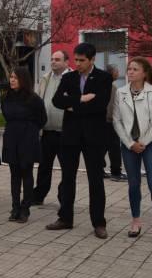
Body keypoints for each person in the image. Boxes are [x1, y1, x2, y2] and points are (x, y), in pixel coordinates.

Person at [47, 42, 113, 239]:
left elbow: (100, 105)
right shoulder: (69, 77)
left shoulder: (104, 78)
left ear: (92, 59)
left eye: (81, 60)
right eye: (75, 60)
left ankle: (99, 223)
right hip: (70, 135)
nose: (77, 64)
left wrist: (72, 105)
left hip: (94, 137)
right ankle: (65, 218)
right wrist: (81, 99)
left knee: (95, 180)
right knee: (67, 178)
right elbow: (57, 101)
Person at [113, 57, 152, 244]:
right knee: (133, 184)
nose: (130, 72)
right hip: (128, 145)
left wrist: (143, 142)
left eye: (135, 69)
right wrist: (130, 143)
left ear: (144, 73)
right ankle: (136, 221)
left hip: (151, 143)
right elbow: (117, 121)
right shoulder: (120, 92)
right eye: (129, 69)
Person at [1, 67, 47, 223]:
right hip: (11, 137)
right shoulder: (6, 97)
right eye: (11, 77)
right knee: (14, 175)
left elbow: (42, 119)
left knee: (26, 174)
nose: (12, 80)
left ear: (23, 79)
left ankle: (25, 208)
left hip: (28, 139)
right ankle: (15, 207)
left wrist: (30, 130)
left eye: (15, 77)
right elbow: (6, 115)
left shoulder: (33, 99)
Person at [32, 50, 72, 206]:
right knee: (44, 166)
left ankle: (64, 198)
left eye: (57, 59)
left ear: (66, 62)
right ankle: (38, 195)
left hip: (66, 132)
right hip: (47, 132)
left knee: (67, 168)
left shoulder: (73, 79)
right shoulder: (45, 78)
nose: (53, 62)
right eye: (52, 59)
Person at [103, 64, 127, 181]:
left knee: (102, 147)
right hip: (109, 122)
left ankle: (99, 170)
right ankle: (116, 172)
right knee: (114, 148)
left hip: (102, 122)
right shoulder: (111, 88)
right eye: (116, 71)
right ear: (111, 73)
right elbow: (111, 107)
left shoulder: (104, 85)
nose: (118, 73)